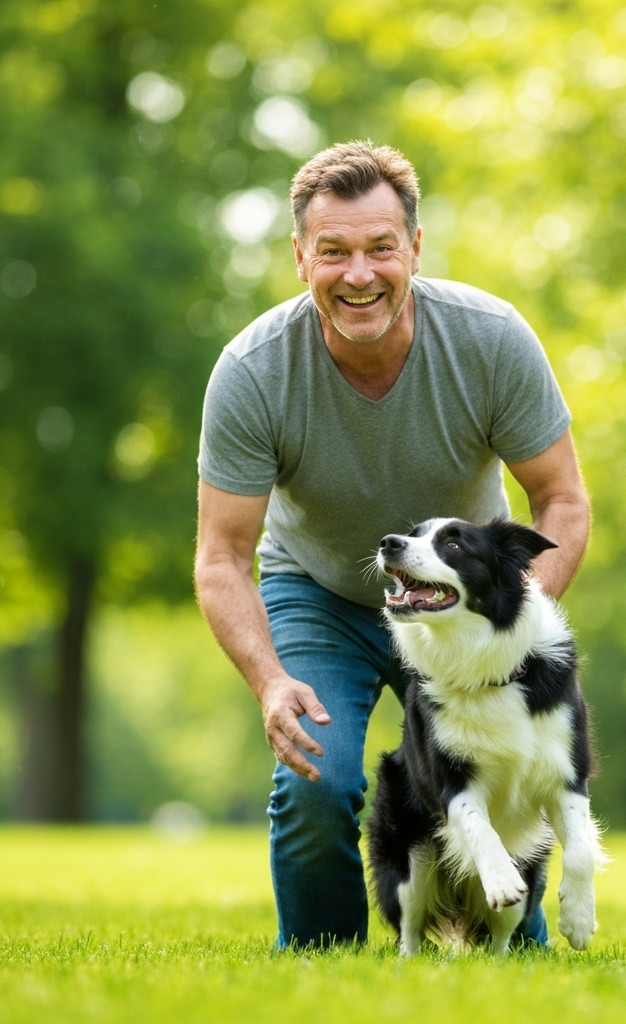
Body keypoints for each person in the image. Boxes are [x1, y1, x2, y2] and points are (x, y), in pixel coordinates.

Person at [193, 141, 590, 949]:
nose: (359, 274)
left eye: (380, 247)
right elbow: (222, 557)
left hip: (465, 609)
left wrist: (512, 625)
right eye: (333, 251)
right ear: (301, 256)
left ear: (414, 247)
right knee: (318, 777)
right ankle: (319, 961)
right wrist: (271, 683)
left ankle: (513, 941)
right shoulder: (253, 371)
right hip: (322, 594)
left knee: (507, 776)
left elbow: (563, 500)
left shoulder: (490, 339)